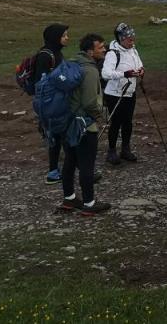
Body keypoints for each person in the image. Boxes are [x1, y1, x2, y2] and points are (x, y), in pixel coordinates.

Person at [59, 33, 110, 216]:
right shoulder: (90, 70)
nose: (104, 49)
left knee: (70, 161)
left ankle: (69, 199)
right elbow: (90, 102)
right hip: (84, 125)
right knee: (87, 165)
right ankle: (89, 204)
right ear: (90, 51)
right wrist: (101, 117)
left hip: (67, 122)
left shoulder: (72, 63)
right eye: (101, 47)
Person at [101, 23, 144, 166]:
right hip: (115, 94)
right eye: (128, 38)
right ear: (121, 39)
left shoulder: (133, 50)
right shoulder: (113, 53)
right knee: (115, 123)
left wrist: (141, 71)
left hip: (129, 92)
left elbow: (139, 65)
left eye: (132, 37)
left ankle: (125, 149)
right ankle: (111, 151)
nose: (132, 40)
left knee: (128, 122)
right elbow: (106, 74)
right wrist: (125, 74)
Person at [33, 23, 69, 184]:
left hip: (59, 100)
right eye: (64, 35)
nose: (67, 38)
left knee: (60, 135)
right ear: (55, 38)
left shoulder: (57, 53)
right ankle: (55, 171)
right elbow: (41, 82)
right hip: (51, 103)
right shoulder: (46, 56)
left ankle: (56, 170)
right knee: (59, 135)